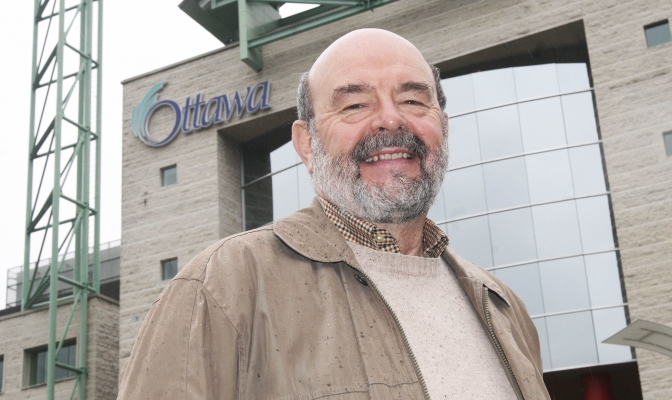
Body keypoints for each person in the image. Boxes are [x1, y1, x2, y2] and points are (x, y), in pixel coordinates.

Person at [118, 29, 550, 399]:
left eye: (414, 100)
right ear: (306, 144)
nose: (390, 121)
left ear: (444, 126)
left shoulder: (502, 305)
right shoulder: (222, 286)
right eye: (355, 105)